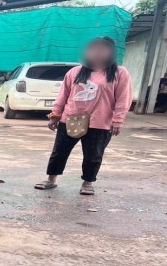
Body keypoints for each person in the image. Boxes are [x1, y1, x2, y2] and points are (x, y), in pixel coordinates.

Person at [34, 37, 133, 196]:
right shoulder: (75, 72)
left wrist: (118, 120)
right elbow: (63, 96)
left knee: (93, 155)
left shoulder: (120, 73)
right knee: (59, 151)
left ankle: (88, 182)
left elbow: (123, 98)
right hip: (71, 119)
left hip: (100, 122)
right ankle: (51, 180)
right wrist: (55, 115)